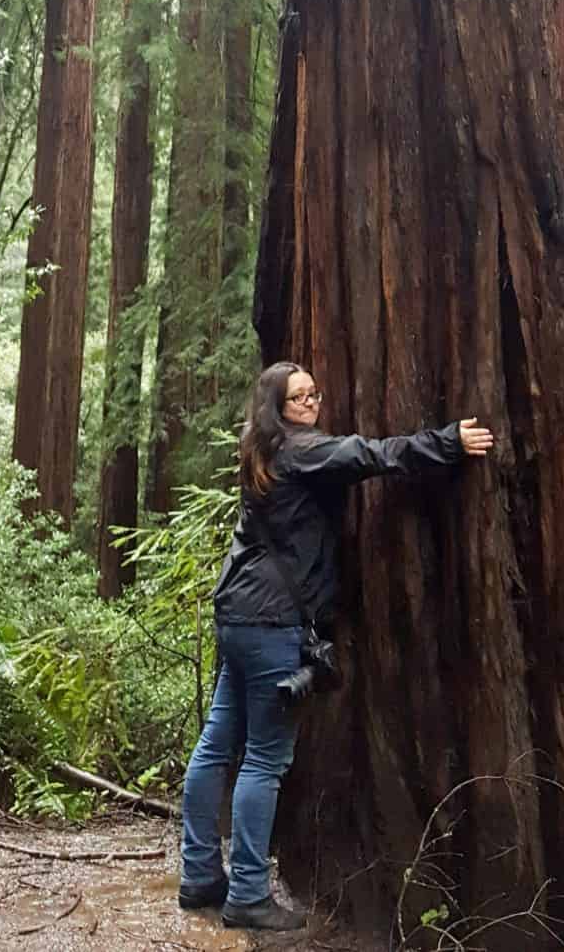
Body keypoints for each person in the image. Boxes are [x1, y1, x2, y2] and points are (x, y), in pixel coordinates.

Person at [178, 360, 493, 932]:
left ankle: (199, 874)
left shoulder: (260, 450)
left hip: (239, 617)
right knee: (264, 759)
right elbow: (371, 455)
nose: (312, 405)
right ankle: (247, 892)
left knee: (218, 743)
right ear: (277, 407)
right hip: (273, 624)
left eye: (315, 395)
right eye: (298, 398)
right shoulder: (301, 451)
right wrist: (447, 441)